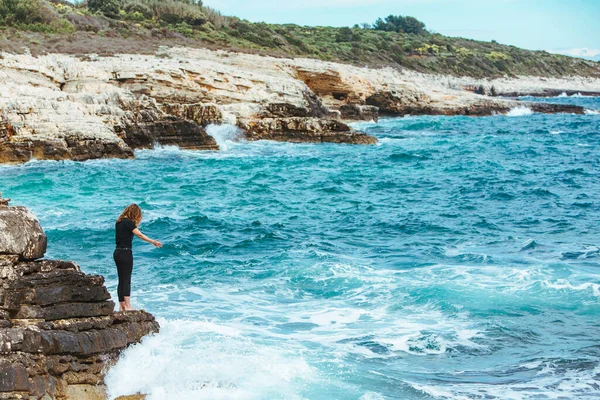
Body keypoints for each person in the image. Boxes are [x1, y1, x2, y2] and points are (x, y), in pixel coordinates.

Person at [113, 204, 162, 311]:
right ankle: (128, 306)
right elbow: (139, 234)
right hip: (126, 253)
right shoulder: (128, 223)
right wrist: (152, 241)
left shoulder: (119, 222)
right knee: (126, 279)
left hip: (117, 252)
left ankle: (122, 306)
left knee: (121, 279)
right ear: (135, 214)